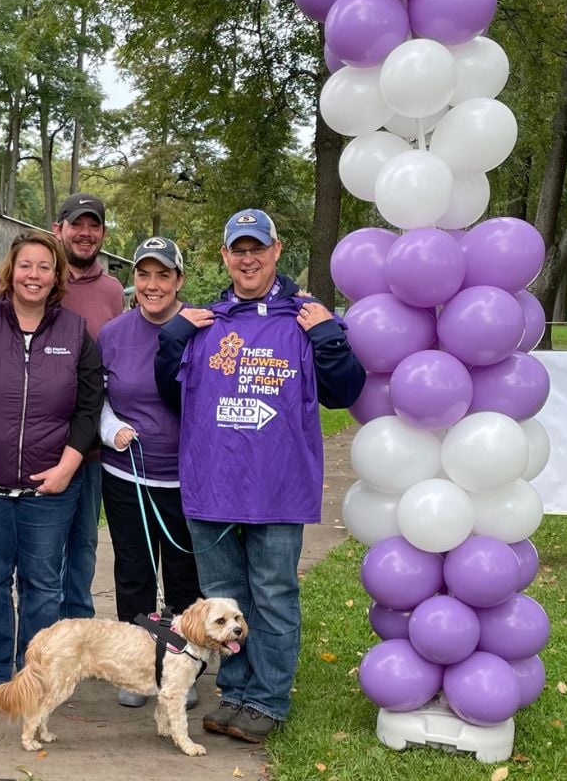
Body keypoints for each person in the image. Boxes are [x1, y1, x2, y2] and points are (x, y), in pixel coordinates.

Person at [154, 209, 365, 743]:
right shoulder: (205, 321)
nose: (247, 259)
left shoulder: (307, 318)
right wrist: (171, 340)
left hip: (278, 486)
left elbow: (345, 392)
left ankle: (268, 700)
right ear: (225, 257)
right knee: (223, 600)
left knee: (272, 595)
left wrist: (329, 340)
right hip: (212, 484)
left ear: (276, 250)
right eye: (237, 250)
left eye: (257, 248)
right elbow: (170, 393)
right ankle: (238, 693)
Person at [0, 230, 104, 709]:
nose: (35, 275)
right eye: (26, 265)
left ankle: (36, 680)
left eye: (45, 267)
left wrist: (68, 467)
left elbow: (90, 408)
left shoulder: (75, 332)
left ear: (57, 277)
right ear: (11, 272)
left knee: (42, 587)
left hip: (50, 490)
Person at [97, 236, 202, 709]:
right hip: (126, 476)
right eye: (144, 274)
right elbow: (95, 397)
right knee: (134, 573)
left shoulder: (202, 326)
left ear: (179, 280)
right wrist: (111, 426)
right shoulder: (114, 333)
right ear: (133, 280)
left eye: (163, 275)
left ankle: (181, 670)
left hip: (187, 478)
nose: (152, 285)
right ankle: (139, 666)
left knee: (183, 576)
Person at [51, 192, 125, 620]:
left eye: (93, 225)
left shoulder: (113, 290)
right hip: (37, 440)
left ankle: (76, 627)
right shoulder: (36, 277)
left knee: (83, 544)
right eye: (76, 224)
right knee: (41, 549)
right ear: (58, 228)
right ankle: (39, 633)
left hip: (93, 444)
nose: (85, 233)